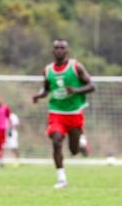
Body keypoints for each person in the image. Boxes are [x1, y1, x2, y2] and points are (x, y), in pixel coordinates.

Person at [32, 39, 95, 189]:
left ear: (66, 51)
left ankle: (80, 143)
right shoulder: (47, 70)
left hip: (74, 113)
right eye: (56, 48)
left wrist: (75, 90)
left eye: (62, 48)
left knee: (73, 151)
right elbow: (47, 89)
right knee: (56, 140)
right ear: (53, 51)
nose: (59, 50)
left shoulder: (76, 67)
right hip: (56, 113)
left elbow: (92, 85)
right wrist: (39, 96)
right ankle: (61, 179)